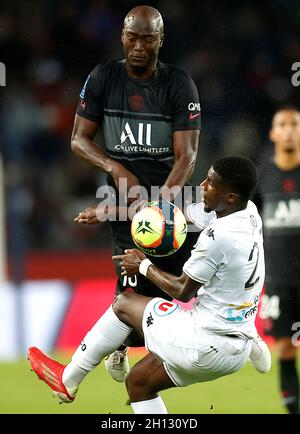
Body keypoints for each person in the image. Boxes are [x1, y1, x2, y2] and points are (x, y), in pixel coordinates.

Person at [28, 156, 271, 414]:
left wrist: (143, 265)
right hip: (234, 348)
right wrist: (111, 212)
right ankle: (251, 337)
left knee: (124, 303)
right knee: (139, 383)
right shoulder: (249, 212)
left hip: (205, 343)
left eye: (210, 183)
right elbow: (178, 216)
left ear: (231, 196)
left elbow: (182, 290)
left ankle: (68, 379)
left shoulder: (218, 236)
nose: (201, 185)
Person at [70, 5, 201, 382]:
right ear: (122, 36)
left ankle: (227, 330)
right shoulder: (103, 78)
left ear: (161, 40)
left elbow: (187, 155)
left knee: (178, 285)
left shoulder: (179, 85)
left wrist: (159, 206)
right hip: (124, 203)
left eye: (148, 39)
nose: (139, 46)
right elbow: (78, 140)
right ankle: (124, 349)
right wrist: (115, 166)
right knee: (130, 283)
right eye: (132, 37)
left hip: (173, 201)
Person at [255, 107, 300, 414]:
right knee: (284, 347)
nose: (288, 130)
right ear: (272, 133)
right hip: (278, 278)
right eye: (281, 125)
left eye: (294, 125)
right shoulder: (262, 175)